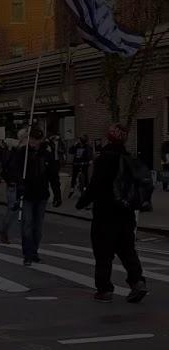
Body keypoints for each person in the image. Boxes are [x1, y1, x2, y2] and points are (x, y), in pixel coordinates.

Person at [76, 123, 147, 303]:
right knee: (127, 250)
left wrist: (82, 201)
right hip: (126, 213)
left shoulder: (104, 159)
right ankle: (137, 281)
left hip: (106, 212)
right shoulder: (129, 158)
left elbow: (96, 185)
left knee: (103, 253)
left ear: (109, 137)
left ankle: (104, 289)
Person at [18, 128, 61, 266]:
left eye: (37, 139)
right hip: (27, 195)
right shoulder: (23, 155)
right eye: (33, 139)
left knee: (38, 227)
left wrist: (57, 194)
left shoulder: (46, 155)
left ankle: (34, 251)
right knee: (27, 225)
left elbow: (53, 176)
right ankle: (28, 254)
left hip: (41, 194)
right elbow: (13, 170)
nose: (35, 142)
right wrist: (19, 186)